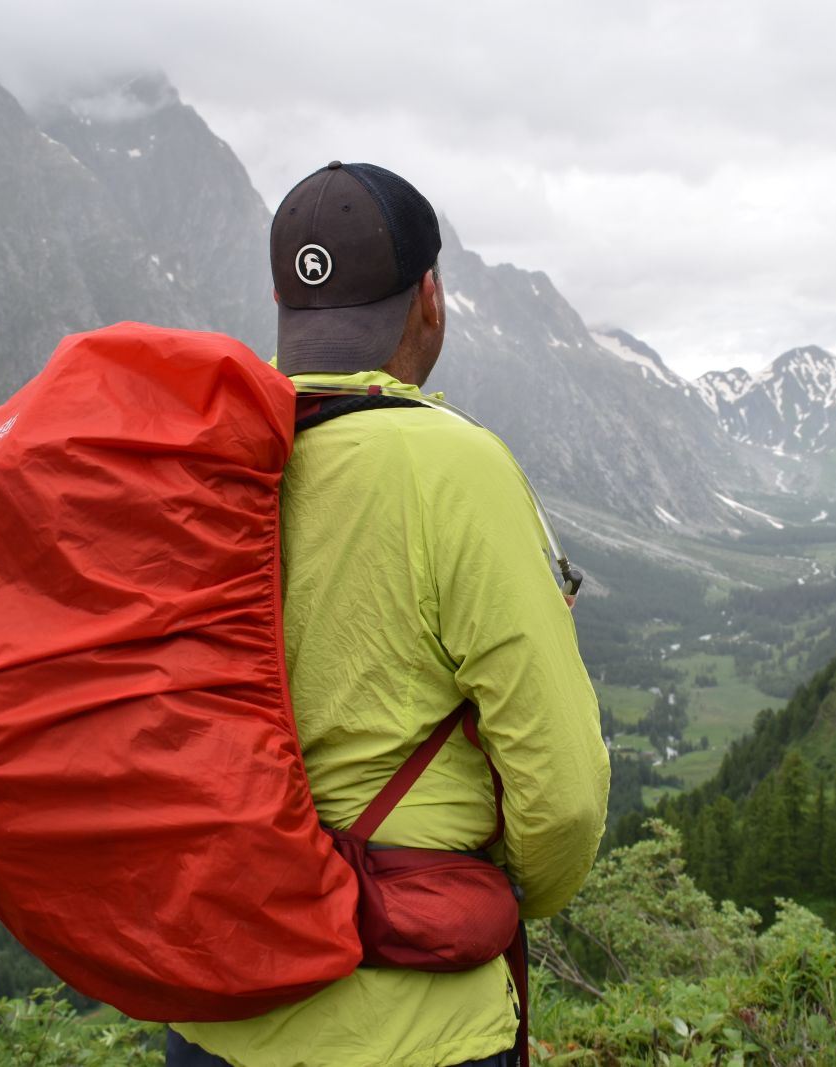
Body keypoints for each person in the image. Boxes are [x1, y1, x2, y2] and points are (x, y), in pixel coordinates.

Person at [168, 162, 610, 1067]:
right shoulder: (452, 467)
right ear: (431, 300)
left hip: (214, 1010)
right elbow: (561, 800)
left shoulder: (205, 461)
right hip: (415, 1028)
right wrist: (475, 893)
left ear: (286, 312)